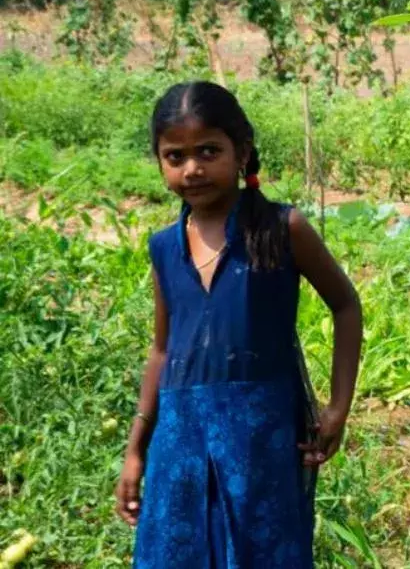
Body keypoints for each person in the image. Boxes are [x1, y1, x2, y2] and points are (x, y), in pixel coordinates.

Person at [115, 81, 364, 567]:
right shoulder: (164, 248)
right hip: (180, 437)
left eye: (209, 151)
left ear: (242, 151)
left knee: (263, 551)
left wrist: (338, 408)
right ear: (160, 162)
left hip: (261, 434)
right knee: (175, 551)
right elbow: (163, 351)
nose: (193, 169)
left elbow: (346, 306)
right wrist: (135, 450)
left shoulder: (280, 228)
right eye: (175, 156)